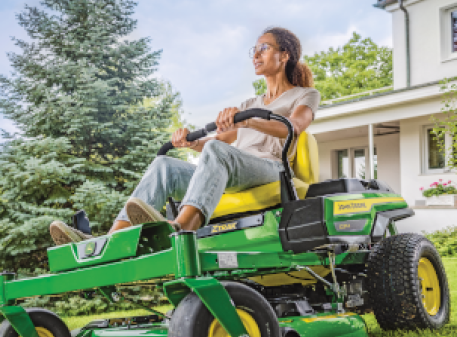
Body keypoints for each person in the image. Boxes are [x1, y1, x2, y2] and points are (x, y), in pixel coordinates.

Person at [49, 26, 321, 245]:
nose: (256, 55)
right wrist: (193, 144)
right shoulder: (250, 103)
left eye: (264, 48)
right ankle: (109, 242)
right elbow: (219, 145)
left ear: (284, 55)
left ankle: (181, 229)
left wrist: (251, 119)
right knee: (163, 165)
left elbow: (295, 126)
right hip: (237, 167)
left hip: (272, 168)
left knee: (218, 153)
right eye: (254, 50)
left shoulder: (304, 95)